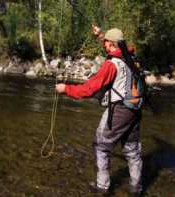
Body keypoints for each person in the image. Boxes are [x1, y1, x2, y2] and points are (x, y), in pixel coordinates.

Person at [55, 26, 143, 195]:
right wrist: (101, 35)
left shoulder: (111, 65)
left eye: (106, 43)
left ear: (111, 44)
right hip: (134, 110)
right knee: (132, 150)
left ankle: (102, 187)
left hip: (118, 111)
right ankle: (136, 188)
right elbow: (113, 49)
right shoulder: (131, 58)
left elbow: (89, 89)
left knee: (101, 146)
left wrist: (66, 88)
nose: (104, 46)